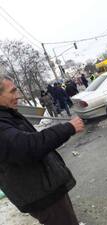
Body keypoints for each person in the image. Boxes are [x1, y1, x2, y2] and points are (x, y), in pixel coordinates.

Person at [0, 74, 85, 225]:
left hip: (44, 189)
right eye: (12, 92)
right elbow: (28, 147)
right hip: (41, 195)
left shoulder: (6, 114)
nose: (18, 96)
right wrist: (68, 128)